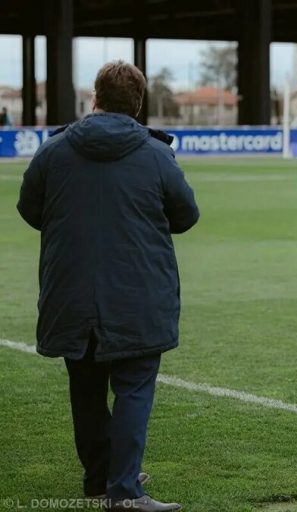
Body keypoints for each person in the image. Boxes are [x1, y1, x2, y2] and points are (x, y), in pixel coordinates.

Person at [17, 60, 199, 512]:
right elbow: (186, 216)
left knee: (86, 385)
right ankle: (123, 491)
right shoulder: (156, 155)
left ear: (94, 99)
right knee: (134, 385)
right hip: (137, 292)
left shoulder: (53, 150)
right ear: (138, 105)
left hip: (70, 291)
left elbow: (29, 208)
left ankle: (100, 479)